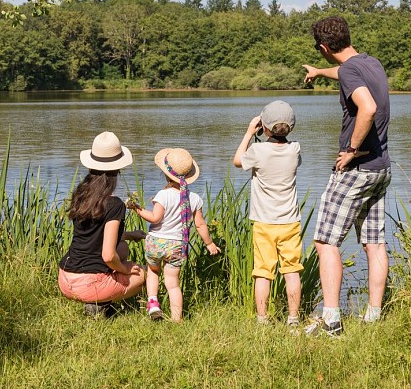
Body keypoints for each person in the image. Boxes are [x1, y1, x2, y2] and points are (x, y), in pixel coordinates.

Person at [302, 16, 392, 336]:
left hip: (356, 170)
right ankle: (373, 317)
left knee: (325, 241)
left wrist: (351, 150)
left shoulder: (351, 72)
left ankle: (331, 321)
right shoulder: (370, 63)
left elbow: (365, 107)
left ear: (325, 47)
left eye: (319, 53)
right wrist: (318, 71)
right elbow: (343, 71)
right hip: (381, 168)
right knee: (374, 242)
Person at [58, 131, 147, 318]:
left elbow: (95, 236)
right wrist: (125, 269)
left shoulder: (81, 195)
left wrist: (130, 235)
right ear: (117, 171)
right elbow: (107, 255)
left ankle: (100, 301)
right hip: (88, 285)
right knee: (141, 275)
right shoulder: (115, 205)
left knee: (122, 247)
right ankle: (99, 303)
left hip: (66, 278)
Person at [232, 100, 304, 328]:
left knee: (263, 273)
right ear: (290, 127)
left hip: (264, 223)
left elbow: (237, 161)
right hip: (290, 222)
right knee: (292, 271)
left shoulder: (257, 150)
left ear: (263, 126)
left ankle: (262, 320)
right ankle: (293, 320)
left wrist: (247, 133)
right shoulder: (295, 149)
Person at [128, 147, 220, 322]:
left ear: (166, 175)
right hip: (176, 246)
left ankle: (153, 304)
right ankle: (177, 319)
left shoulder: (163, 195)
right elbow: (200, 224)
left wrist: (137, 209)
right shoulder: (194, 199)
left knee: (153, 272)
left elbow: (155, 218)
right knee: (173, 284)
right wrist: (209, 244)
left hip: (156, 242)